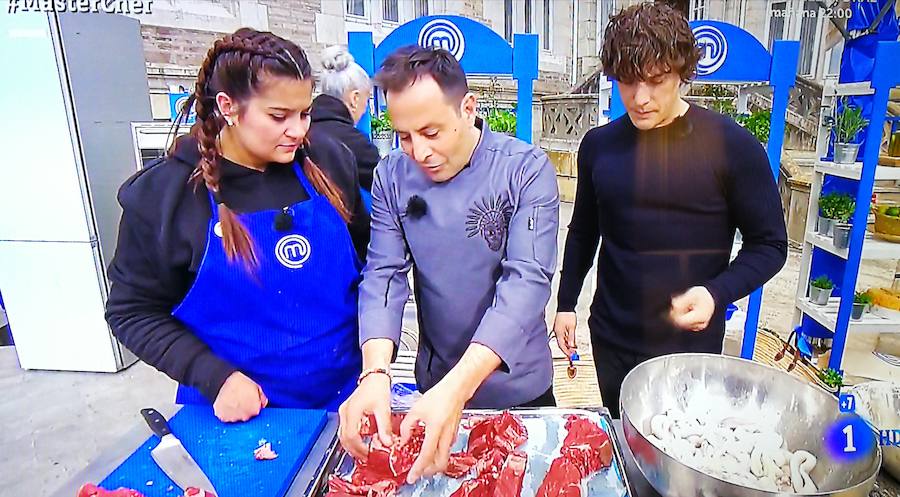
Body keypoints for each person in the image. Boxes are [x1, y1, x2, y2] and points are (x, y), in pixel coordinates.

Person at [105, 28, 370, 422]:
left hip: (346, 403)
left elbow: (370, 269)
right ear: (228, 106)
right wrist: (212, 376)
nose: (297, 130)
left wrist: (377, 364)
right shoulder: (167, 197)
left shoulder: (330, 162)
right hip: (241, 417)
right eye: (278, 116)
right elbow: (131, 311)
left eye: (304, 113)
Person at [553, 2, 788, 418]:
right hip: (612, 337)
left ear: (682, 72)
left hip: (689, 348)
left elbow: (769, 245)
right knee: (625, 445)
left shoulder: (732, 147)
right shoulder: (598, 146)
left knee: (681, 455)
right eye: (627, 82)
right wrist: (567, 302)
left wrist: (717, 293)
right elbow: (584, 230)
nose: (640, 98)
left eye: (656, 81)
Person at [338, 46, 559, 482]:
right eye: (404, 135)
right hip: (432, 385)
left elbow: (526, 283)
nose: (419, 151)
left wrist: (457, 390)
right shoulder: (391, 177)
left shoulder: (524, 170)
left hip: (518, 390)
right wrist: (376, 372)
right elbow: (383, 274)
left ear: (468, 108)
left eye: (432, 131)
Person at [311, 46, 381, 206]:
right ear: (355, 98)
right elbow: (391, 188)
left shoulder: (303, 130)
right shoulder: (354, 143)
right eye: (367, 99)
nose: (366, 109)